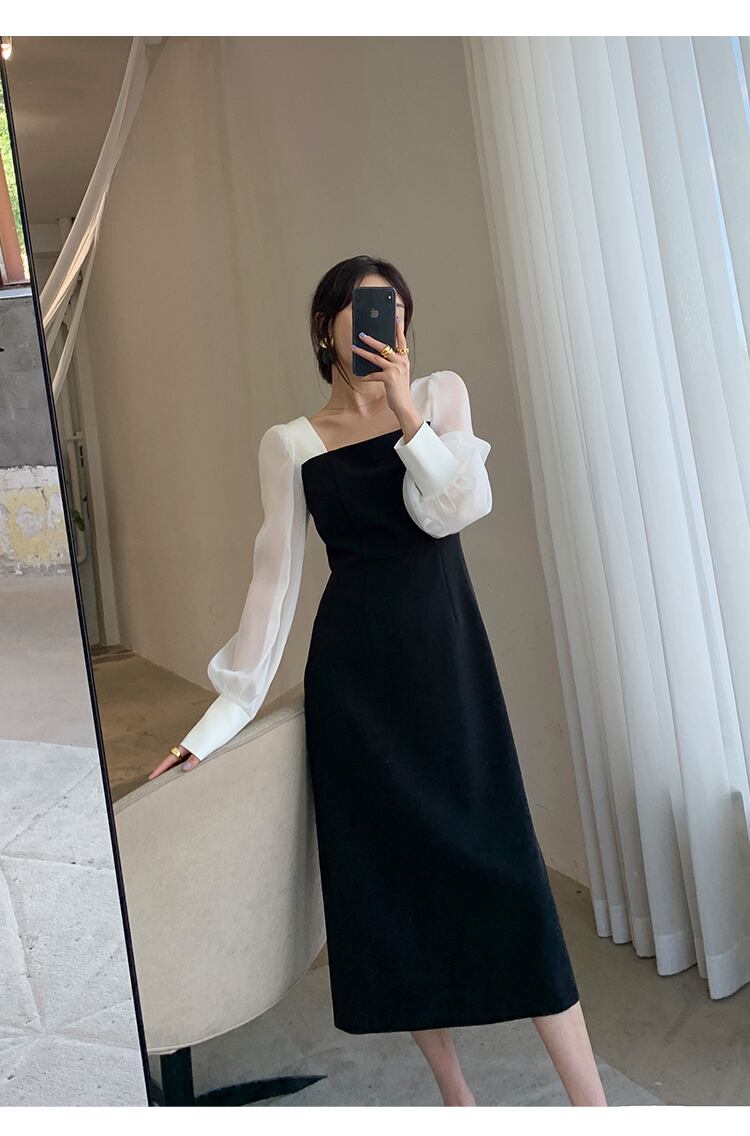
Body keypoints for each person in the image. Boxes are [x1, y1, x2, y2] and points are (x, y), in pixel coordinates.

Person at [149, 255, 607, 1107]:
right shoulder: (289, 443)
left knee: (514, 881)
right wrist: (210, 728)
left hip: (451, 670)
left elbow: (456, 510)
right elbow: (273, 590)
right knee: (395, 895)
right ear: (326, 328)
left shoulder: (438, 396)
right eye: (364, 308)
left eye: (394, 308)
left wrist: (405, 417)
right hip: (357, 691)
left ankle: (593, 1110)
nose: (381, 322)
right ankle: (458, 1100)